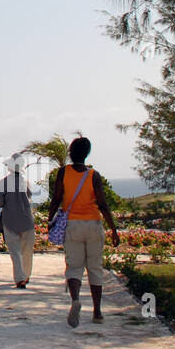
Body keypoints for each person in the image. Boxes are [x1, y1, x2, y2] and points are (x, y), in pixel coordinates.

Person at [47, 137, 121, 327]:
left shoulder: (64, 173)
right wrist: (113, 228)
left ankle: (75, 301)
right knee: (95, 267)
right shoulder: (93, 175)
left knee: (74, 267)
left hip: (72, 225)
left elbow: (56, 199)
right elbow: (103, 204)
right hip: (93, 225)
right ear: (87, 153)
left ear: (71, 152)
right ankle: (97, 311)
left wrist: (50, 220)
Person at [0, 154, 36, 288]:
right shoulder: (26, 182)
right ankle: (27, 275)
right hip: (27, 220)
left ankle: (20, 279)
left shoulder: (2, 183)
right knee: (27, 251)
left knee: (15, 252)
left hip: (10, 220)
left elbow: (0, 203)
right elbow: (29, 198)